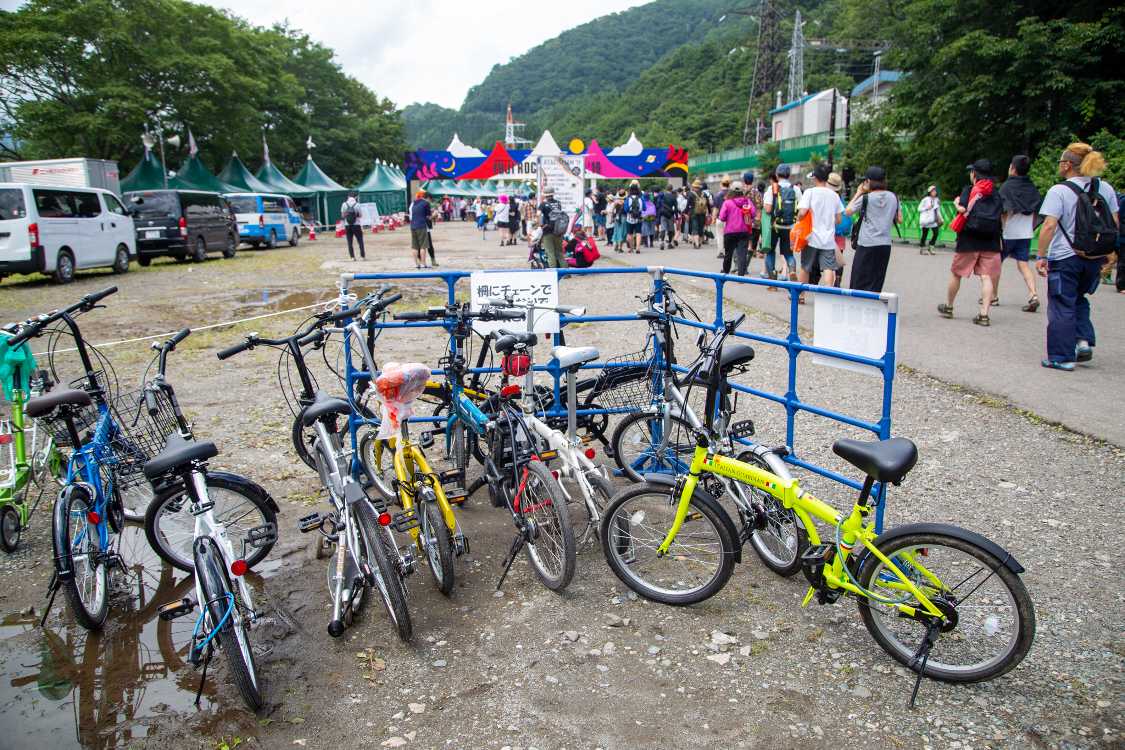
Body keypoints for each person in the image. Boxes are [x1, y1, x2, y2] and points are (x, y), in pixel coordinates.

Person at [1036, 142, 1120, 370]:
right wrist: (1109, 253)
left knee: (1062, 303)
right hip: (1094, 257)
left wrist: (1041, 255)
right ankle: (1082, 341)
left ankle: (1061, 357)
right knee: (1079, 297)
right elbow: (1114, 223)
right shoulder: (1106, 189)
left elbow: (1049, 226)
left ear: (1067, 165)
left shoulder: (1059, 191)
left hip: (1065, 256)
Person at [938, 159, 1003, 325]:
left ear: (974, 174)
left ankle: (949, 307)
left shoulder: (970, 190)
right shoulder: (996, 193)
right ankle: (983, 315)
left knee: (956, 273)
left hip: (968, 239)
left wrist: (956, 203)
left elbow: (962, 208)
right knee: (986, 277)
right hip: (991, 240)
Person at [997, 155, 1043, 312]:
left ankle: (992, 296)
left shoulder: (1007, 187)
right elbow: (1038, 210)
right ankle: (1033, 294)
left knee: (996, 264)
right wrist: (1032, 226)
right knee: (1023, 264)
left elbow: (1002, 210)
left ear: (1013, 168)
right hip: (1025, 233)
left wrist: (1000, 229)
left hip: (1008, 233)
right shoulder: (1032, 188)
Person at [845, 166, 902, 293]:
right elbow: (899, 219)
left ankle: (858, 308)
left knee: (858, 281)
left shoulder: (866, 198)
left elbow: (848, 211)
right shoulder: (894, 197)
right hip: (885, 245)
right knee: (876, 281)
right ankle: (873, 309)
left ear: (868, 181)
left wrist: (859, 192)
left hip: (866, 244)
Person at [796, 163, 843, 293]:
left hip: (811, 237)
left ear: (815, 178)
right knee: (828, 267)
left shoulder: (810, 192)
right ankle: (827, 294)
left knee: (806, 267)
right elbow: (839, 220)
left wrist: (800, 219)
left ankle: (800, 295)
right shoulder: (834, 196)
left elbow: (802, 213)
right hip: (828, 238)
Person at [762, 166, 801, 286]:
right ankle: (792, 271)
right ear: (789, 175)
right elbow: (800, 209)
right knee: (789, 254)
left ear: (777, 175)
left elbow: (768, 209)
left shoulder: (772, 188)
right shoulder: (795, 189)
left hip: (775, 225)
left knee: (770, 252)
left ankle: (772, 281)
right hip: (790, 226)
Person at [717, 181, 755, 276]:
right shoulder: (747, 201)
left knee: (728, 253)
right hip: (744, 231)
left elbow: (722, 217)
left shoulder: (727, 203)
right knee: (742, 254)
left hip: (730, 232)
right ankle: (741, 276)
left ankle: (725, 272)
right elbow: (753, 214)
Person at [538, 187, 566, 268]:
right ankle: (566, 273)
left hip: (548, 231)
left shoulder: (543, 204)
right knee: (559, 253)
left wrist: (540, 225)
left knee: (550, 253)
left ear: (545, 195)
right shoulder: (558, 203)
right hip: (558, 230)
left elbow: (538, 215)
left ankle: (553, 273)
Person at [409, 190, 432, 269]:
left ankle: (416, 264)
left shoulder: (414, 202)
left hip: (412, 226)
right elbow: (428, 217)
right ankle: (423, 263)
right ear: (428, 198)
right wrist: (434, 215)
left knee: (415, 246)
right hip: (421, 225)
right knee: (423, 246)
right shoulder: (426, 203)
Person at [340, 191, 366, 260]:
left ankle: (352, 257)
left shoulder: (344, 204)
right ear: (356, 197)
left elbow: (342, 215)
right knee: (360, 241)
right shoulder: (357, 204)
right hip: (356, 224)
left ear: (348, 197)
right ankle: (362, 256)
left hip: (347, 225)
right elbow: (360, 215)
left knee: (349, 242)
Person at [918, 186, 941, 254]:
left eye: (935, 191)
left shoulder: (937, 200)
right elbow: (919, 209)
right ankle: (922, 249)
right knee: (925, 234)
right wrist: (926, 208)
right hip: (926, 220)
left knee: (936, 233)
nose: (934, 192)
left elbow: (937, 210)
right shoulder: (925, 199)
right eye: (932, 191)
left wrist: (940, 218)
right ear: (929, 192)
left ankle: (931, 246)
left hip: (933, 220)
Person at [712, 177, 731, 258]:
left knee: (720, 236)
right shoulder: (732, 194)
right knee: (729, 236)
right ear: (729, 185)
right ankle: (729, 251)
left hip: (720, 218)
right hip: (730, 219)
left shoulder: (717, 195)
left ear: (721, 184)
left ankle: (720, 252)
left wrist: (713, 218)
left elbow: (715, 208)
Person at [624, 180, 645, 253]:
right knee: (638, 233)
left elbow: (626, 209)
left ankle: (631, 248)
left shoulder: (628, 199)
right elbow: (644, 208)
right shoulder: (641, 198)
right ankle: (638, 248)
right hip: (638, 218)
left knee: (630, 233)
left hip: (629, 218)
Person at [688, 180, 709, 249]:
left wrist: (685, 212)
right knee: (700, 228)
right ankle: (699, 243)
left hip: (694, 213)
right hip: (702, 213)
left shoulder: (691, 194)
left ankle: (696, 244)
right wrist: (710, 213)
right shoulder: (704, 194)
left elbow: (688, 205)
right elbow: (707, 204)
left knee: (695, 228)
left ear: (694, 187)